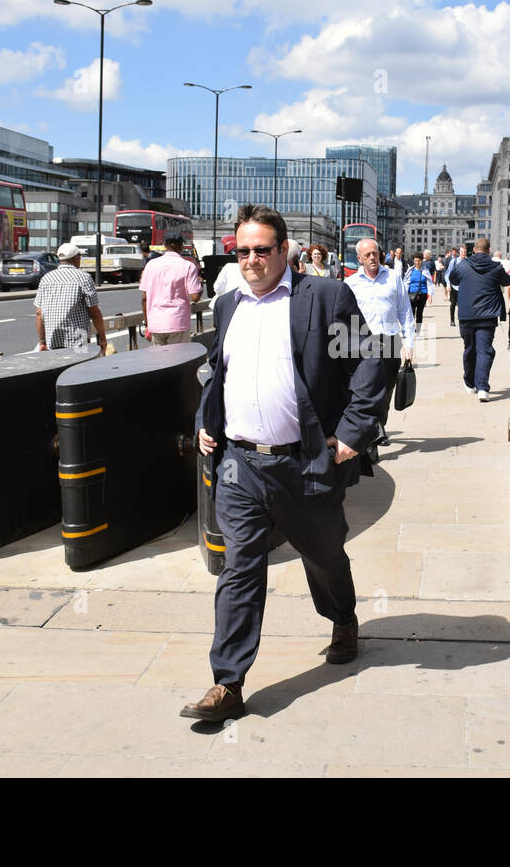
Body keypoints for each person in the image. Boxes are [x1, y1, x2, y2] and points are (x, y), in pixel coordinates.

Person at [183, 205, 386, 723]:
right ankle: (227, 682)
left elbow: (372, 356)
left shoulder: (324, 296)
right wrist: (209, 421)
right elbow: (218, 370)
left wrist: (352, 435)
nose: (251, 259)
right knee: (239, 568)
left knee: (323, 553)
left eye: (262, 250)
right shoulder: (227, 305)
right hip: (240, 464)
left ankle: (342, 618)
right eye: (242, 250)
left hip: (306, 461)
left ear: (284, 251)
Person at [345, 238, 414, 447]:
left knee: (386, 391)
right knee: (367, 390)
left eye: (375, 253)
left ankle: (379, 426)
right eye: (367, 255)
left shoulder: (393, 277)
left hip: (391, 341)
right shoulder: (351, 284)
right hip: (364, 342)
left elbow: (405, 311)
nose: (373, 257)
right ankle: (372, 434)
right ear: (359, 258)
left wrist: (409, 343)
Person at [448, 237, 510, 402]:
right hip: (488, 316)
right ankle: (483, 388)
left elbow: (452, 279)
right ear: (489, 251)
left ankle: (470, 383)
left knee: (469, 349)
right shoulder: (496, 267)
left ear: (474, 250)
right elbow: (508, 281)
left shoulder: (462, 265)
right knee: (484, 351)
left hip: (467, 316)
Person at [34, 242, 108, 352]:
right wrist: (102, 338)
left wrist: (42, 341)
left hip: (52, 341)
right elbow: (94, 313)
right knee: (79, 369)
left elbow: (39, 313)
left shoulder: (46, 279)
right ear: (75, 258)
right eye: (80, 256)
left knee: (57, 368)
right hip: (77, 341)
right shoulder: (84, 278)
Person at [139, 229, 202, 344]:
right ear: (181, 246)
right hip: (178, 323)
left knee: (160, 361)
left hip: (156, 324)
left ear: (164, 245)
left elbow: (144, 298)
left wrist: (147, 324)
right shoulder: (188, 266)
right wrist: (200, 282)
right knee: (179, 361)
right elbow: (195, 297)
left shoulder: (150, 265)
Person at [406, 254, 431, 332]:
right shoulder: (410, 270)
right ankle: (411, 329)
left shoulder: (425, 271)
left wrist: (430, 295)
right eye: (415, 260)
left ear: (422, 261)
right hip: (411, 294)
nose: (417, 262)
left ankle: (418, 331)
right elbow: (406, 282)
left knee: (419, 313)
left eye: (419, 261)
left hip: (422, 294)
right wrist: (404, 294)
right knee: (411, 313)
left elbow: (429, 283)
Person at [446, 245, 468, 326]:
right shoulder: (454, 261)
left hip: (464, 287)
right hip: (454, 286)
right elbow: (448, 274)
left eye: (465, 252)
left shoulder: (468, 261)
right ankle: (452, 320)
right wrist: (448, 284)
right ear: (459, 252)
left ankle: (462, 320)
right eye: (462, 252)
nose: (463, 253)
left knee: (462, 304)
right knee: (453, 304)